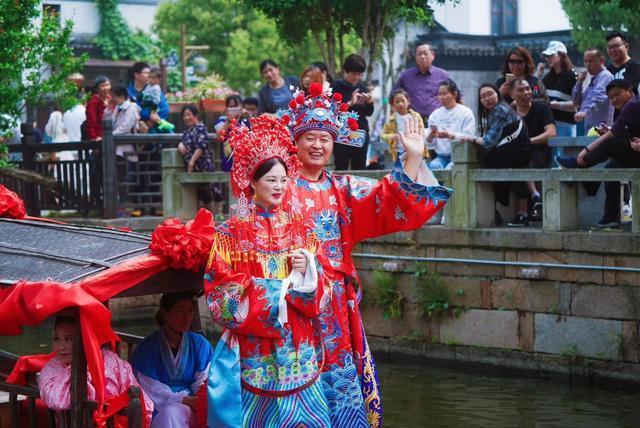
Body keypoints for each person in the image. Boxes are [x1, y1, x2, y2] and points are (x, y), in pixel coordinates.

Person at [278, 82, 452, 426]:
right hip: (290, 298)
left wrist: (414, 156)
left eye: (325, 139)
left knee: (339, 373)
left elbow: (385, 198)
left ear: (333, 144)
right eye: (310, 137)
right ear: (294, 142)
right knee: (295, 371)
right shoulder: (277, 185)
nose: (317, 145)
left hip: (335, 301)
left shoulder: (341, 188)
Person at [205, 115, 331, 427]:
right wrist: (275, 293)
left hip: (298, 344)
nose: (278, 186)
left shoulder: (302, 229)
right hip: (254, 346)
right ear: (252, 181)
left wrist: (309, 275)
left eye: (284, 180)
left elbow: (322, 285)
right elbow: (218, 291)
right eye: (271, 180)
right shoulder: (230, 232)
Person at [39, 315, 153, 426]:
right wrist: (76, 367)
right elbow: (57, 400)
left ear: (87, 337)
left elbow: (141, 401)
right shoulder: (51, 369)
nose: (60, 347)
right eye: (56, 339)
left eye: (68, 339)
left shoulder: (111, 360)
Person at [557, 79, 640, 228]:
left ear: (630, 90)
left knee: (609, 144)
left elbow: (612, 136)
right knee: (612, 168)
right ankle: (612, 217)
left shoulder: (633, 105)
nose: (614, 99)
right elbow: (620, 132)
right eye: (611, 97)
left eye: (617, 94)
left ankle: (578, 164)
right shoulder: (628, 108)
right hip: (634, 153)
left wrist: (584, 153)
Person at [131, 292, 214, 428]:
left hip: (194, 405)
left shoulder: (199, 343)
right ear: (164, 313)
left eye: (190, 311)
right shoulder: (146, 349)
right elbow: (153, 391)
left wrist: (201, 399)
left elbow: (204, 380)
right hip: (158, 409)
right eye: (180, 311)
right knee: (172, 413)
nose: (187, 317)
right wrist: (185, 400)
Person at [461, 83, 531, 227]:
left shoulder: (499, 110)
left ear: (497, 95)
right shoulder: (502, 109)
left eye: (490, 94)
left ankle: (495, 211)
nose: (487, 99)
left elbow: (488, 142)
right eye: (483, 97)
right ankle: (505, 211)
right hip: (518, 151)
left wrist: (470, 138)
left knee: (484, 160)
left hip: (515, 153)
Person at [511, 78, 556, 221]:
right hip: (518, 153)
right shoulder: (509, 113)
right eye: (521, 90)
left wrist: (528, 141)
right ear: (512, 95)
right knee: (517, 160)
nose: (526, 92)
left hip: (540, 152)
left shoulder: (541, 107)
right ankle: (535, 196)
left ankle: (522, 212)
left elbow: (551, 132)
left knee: (524, 161)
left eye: (527, 89)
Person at [178, 105, 224, 214]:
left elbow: (201, 146)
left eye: (189, 115)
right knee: (201, 193)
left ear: (195, 115)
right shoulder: (187, 132)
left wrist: (192, 161)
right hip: (193, 169)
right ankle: (208, 215)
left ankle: (218, 214)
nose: (186, 118)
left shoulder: (201, 128)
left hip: (204, 166)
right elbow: (183, 142)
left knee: (212, 189)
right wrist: (180, 144)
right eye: (184, 116)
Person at [332, 54, 374, 170]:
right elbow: (332, 109)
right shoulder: (336, 86)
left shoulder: (363, 88)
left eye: (359, 74)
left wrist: (370, 102)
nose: (356, 77)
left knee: (359, 166)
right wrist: (350, 103)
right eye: (353, 74)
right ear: (346, 71)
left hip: (360, 131)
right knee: (341, 166)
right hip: (342, 132)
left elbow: (369, 113)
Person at [392, 42, 451, 120]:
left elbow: (457, 96)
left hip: (437, 120)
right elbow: (393, 97)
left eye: (425, 53)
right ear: (415, 57)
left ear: (433, 55)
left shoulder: (443, 75)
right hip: (412, 120)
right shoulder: (405, 76)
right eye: (419, 54)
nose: (422, 57)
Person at [426, 79, 476, 170]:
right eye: (440, 94)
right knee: (433, 167)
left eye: (445, 93)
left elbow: (469, 137)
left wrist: (451, 135)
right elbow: (431, 145)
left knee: (451, 169)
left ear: (455, 94)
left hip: (461, 156)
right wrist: (430, 137)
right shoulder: (435, 114)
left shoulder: (466, 112)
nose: (442, 97)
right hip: (441, 156)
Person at [111, 85, 141, 216]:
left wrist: (111, 135)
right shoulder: (117, 108)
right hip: (118, 149)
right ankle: (121, 207)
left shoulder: (131, 108)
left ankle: (126, 206)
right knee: (120, 179)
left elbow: (126, 126)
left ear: (121, 96)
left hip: (128, 148)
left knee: (128, 179)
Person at [537, 41, 577, 136]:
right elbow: (535, 95)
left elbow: (578, 104)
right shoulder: (547, 77)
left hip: (567, 126)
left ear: (562, 56)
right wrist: (538, 77)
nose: (548, 59)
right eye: (547, 56)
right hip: (549, 127)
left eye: (551, 55)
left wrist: (557, 105)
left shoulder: (572, 76)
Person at [572, 48, 615, 133]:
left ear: (601, 61)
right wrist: (579, 82)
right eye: (585, 61)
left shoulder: (605, 76)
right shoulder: (592, 80)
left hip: (600, 130)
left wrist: (585, 112)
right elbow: (576, 101)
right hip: (589, 130)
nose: (587, 65)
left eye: (591, 61)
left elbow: (599, 99)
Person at [381, 89, 426, 163]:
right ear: (393, 104)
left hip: (415, 151)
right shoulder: (391, 119)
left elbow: (422, 132)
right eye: (397, 102)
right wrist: (392, 136)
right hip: (399, 152)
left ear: (408, 101)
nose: (400, 104)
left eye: (403, 101)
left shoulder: (416, 116)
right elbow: (383, 135)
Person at [127, 62, 170, 133]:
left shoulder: (154, 89)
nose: (149, 75)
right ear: (136, 75)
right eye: (146, 73)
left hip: (156, 132)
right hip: (133, 132)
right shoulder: (127, 92)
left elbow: (164, 109)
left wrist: (149, 123)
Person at [214, 95, 247, 172]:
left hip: (245, 159)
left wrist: (249, 116)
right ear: (226, 108)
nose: (233, 109)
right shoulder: (222, 120)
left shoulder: (245, 120)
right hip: (228, 159)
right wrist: (228, 121)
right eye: (231, 107)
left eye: (236, 106)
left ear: (241, 106)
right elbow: (219, 137)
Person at [605, 31, 640, 97]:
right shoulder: (606, 71)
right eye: (609, 47)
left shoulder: (636, 68)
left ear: (626, 46)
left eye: (616, 46)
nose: (612, 50)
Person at [141, 68, 174, 133]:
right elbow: (144, 94)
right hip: (146, 106)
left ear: (159, 80)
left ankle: (166, 126)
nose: (150, 80)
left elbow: (156, 101)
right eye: (149, 77)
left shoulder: (156, 88)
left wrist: (153, 111)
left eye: (153, 78)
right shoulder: (148, 86)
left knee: (152, 119)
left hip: (152, 108)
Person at [85, 75, 111, 142]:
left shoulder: (111, 99)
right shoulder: (93, 102)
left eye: (107, 85)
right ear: (97, 89)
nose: (106, 88)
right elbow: (91, 123)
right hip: (99, 137)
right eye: (103, 86)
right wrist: (93, 138)